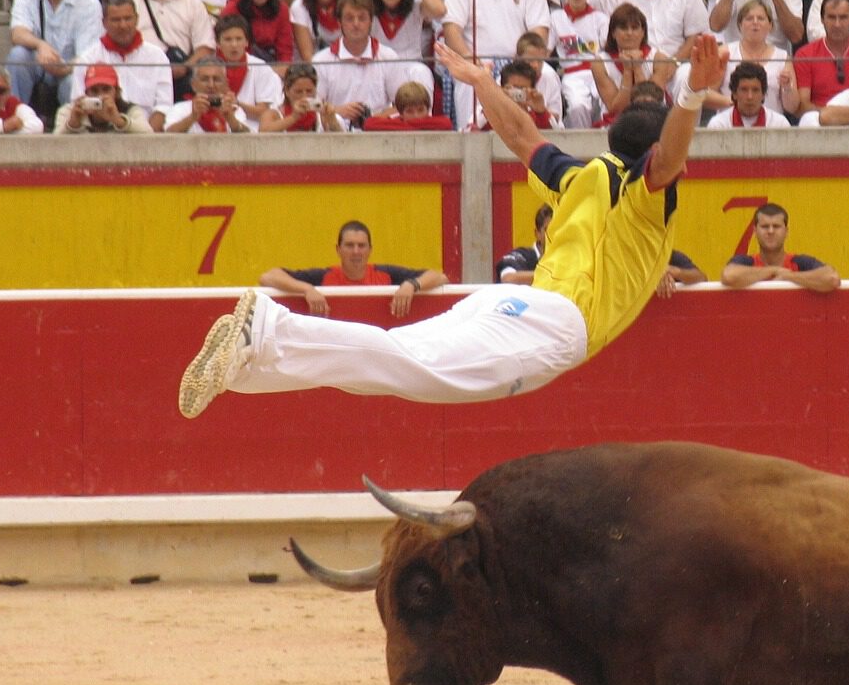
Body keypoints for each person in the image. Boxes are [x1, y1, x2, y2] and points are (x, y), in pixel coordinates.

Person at [177, 34, 716, 418]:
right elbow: (667, 160)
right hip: (554, 324)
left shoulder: (581, 177)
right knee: (409, 368)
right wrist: (691, 95)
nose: (685, 162)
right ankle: (268, 327)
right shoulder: (645, 193)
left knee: (396, 365)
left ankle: (248, 365)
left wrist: (482, 82)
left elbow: (524, 136)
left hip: (508, 307)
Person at [258, 220, 448, 319]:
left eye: (361, 245)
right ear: (338, 250)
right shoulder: (323, 277)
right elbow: (268, 277)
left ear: (370, 250)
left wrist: (412, 285)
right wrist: (306, 289)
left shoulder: (387, 274)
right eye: (349, 245)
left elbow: (440, 277)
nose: (356, 251)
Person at [721, 202, 840, 292]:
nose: (771, 231)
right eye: (765, 226)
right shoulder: (746, 261)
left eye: (776, 226)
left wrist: (789, 276)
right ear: (755, 231)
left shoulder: (800, 262)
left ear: (786, 231)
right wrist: (774, 270)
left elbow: (832, 278)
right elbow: (728, 276)